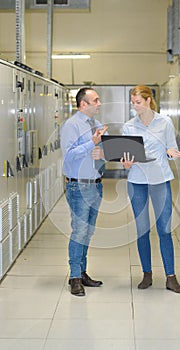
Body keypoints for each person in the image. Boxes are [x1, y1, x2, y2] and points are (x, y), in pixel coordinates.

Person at [121, 85, 180, 294]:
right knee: (142, 230)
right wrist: (126, 164)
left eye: (138, 102)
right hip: (137, 180)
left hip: (160, 180)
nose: (135, 106)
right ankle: (147, 274)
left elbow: (171, 147)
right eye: (133, 103)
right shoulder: (128, 126)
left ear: (148, 101)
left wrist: (170, 152)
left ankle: (171, 277)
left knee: (164, 229)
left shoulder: (164, 122)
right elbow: (125, 158)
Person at [61, 87, 108, 296]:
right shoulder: (71, 125)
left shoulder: (96, 125)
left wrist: (102, 153)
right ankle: (74, 277)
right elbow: (69, 156)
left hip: (96, 184)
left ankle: (82, 271)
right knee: (79, 231)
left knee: (88, 232)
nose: (99, 103)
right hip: (78, 185)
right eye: (95, 100)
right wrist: (92, 143)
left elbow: (100, 154)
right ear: (83, 104)